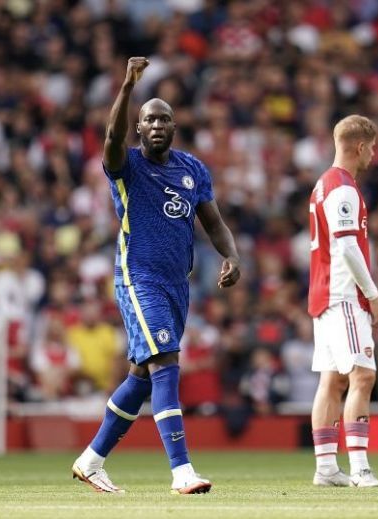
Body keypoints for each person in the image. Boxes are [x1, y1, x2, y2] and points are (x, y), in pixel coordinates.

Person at [71, 57, 241, 495]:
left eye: (164, 119)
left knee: (142, 375)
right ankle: (182, 471)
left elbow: (214, 221)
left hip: (175, 285)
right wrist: (127, 87)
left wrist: (232, 255)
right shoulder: (126, 165)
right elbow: (111, 135)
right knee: (166, 363)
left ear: (174, 127)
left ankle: (91, 460)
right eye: (149, 120)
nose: (157, 125)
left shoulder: (192, 170)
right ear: (140, 128)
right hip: (138, 276)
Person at [308, 115, 378, 488]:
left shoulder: (323, 185)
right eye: (371, 147)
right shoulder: (342, 188)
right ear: (360, 146)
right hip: (342, 296)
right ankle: (360, 468)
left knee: (333, 380)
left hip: (323, 295)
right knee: (363, 374)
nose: (373, 154)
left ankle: (326, 468)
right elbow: (347, 246)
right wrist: (372, 295)